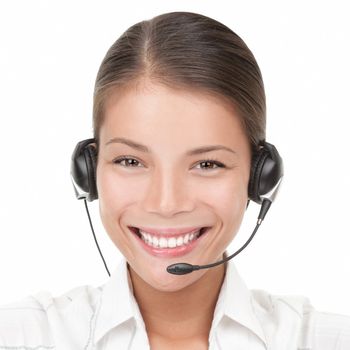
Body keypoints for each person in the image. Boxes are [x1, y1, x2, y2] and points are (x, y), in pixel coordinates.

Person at [0, 11, 349, 350]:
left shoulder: (326, 340)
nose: (166, 204)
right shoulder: (21, 336)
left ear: (260, 177)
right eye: (130, 161)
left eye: (207, 164)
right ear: (88, 171)